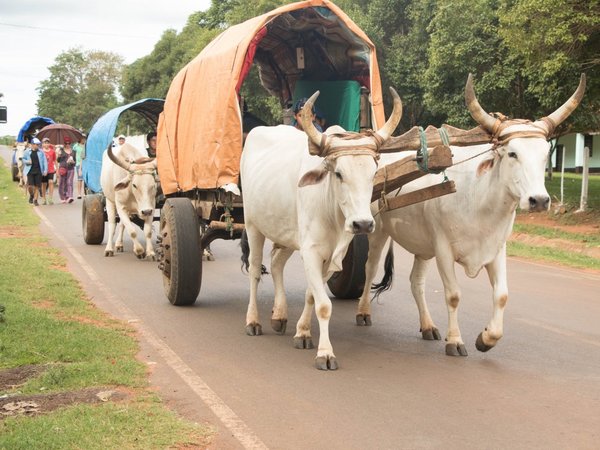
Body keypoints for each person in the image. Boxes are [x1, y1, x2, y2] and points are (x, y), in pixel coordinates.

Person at [22, 137, 48, 206]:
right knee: (30, 186)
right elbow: (23, 159)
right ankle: (31, 195)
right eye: (36, 144)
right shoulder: (27, 151)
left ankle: (35, 200)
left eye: (38, 144)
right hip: (30, 171)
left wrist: (45, 170)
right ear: (32, 144)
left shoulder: (41, 152)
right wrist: (27, 162)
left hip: (39, 171)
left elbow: (45, 161)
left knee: (37, 186)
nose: (38, 146)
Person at [57, 137, 77, 203]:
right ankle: (63, 197)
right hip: (63, 168)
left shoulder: (73, 152)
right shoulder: (61, 150)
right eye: (66, 143)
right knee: (62, 183)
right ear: (64, 144)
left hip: (71, 168)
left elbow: (75, 162)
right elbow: (58, 160)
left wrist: (72, 162)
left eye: (69, 143)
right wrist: (59, 155)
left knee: (69, 182)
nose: (67, 144)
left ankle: (70, 196)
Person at [40, 137, 56, 205]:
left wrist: (57, 169)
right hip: (43, 170)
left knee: (51, 182)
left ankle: (50, 198)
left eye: (47, 143)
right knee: (44, 184)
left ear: (49, 144)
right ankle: (43, 198)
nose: (46, 144)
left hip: (51, 169)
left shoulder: (52, 151)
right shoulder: (40, 151)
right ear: (42, 144)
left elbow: (55, 160)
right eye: (45, 143)